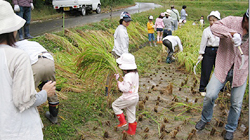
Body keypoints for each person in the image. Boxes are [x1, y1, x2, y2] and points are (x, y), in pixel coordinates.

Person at [0, 1, 56, 139]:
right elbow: (24, 101)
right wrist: (44, 93)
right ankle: (54, 116)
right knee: (49, 90)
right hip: (19, 131)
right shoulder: (17, 56)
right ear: (13, 30)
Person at [195, 9, 249, 140]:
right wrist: (232, 33)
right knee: (210, 95)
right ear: (246, 19)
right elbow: (215, 27)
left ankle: (230, 128)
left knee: (236, 103)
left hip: (241, 71)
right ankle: (205, 118)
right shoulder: (231, 20)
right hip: (223, 66)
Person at [15, 39, 59, 124]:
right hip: (49, 61)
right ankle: (54, 116)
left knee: (28, 94)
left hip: (33, 64)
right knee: (51, 88)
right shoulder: (33, 43)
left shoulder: (13, 46)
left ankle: (27, 118)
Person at [112, 53, 139, 136]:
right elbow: (130, 83)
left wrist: (119, 83)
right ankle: (131, 131)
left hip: (127, 98)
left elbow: (125, 88)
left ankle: (122, 122)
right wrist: (120, 79)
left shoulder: (127, 76)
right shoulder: (135, 74)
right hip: (135, 97)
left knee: (115, 105)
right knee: (131, 113)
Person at [107, 11, 132, 95]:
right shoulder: (121, 30)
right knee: (118, 72)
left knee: (120, 72)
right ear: (121, 20)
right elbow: (123, 45)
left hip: (119, 53)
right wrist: (126, 57)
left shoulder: (121, 28)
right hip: (119, 54)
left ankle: (122, 88)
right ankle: (109, 89)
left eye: (129, 21)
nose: (128, 23)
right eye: (126, 21)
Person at [198, 11, 221, 97]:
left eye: (214, 20)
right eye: (210, 20)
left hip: (219, 51)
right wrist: (201, 54)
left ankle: (221, 88)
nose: (212, 22)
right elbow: (203, 43)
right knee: (206, 70)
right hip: (208, 51)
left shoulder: (222, 30)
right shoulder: (206, 31)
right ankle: (202, 88)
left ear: (218, 20)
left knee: (219, 71)